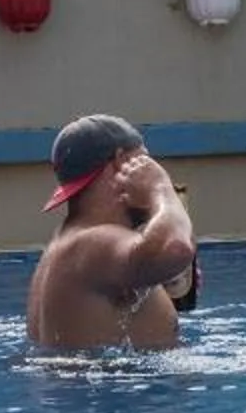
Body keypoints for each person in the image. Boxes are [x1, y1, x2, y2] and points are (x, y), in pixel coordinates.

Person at [26, 113, 198, 351]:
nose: (153, 170)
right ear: (121, 163)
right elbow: (176, 247)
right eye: (145, 162)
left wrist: (158, 285)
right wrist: (160, 187)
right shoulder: (93, 242)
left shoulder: (68, 244)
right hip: (116, 385)